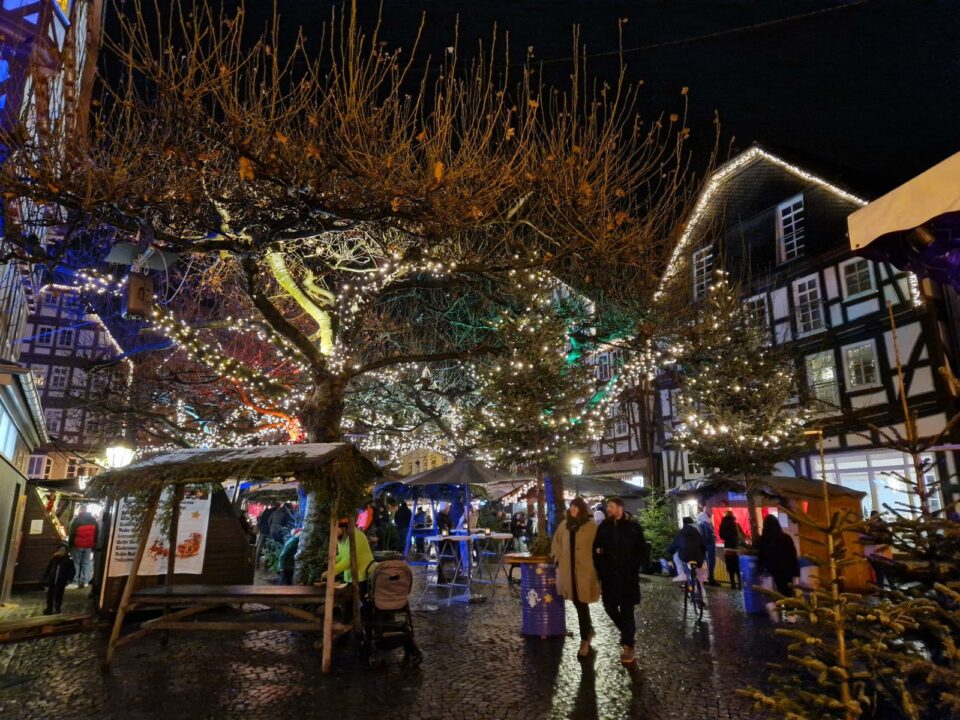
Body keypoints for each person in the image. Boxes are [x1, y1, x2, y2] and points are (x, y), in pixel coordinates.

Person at [593, 497, 648, 665]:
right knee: (609, 607)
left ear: (620, 508)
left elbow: (642, 549)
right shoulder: (604, 526)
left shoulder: (633, 526)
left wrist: (636, 566)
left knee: (627, 611)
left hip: (627, 576)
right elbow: (596, 548)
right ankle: (627, 634)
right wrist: (600, 567)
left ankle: (628, 647)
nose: (608, 509)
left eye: (611, 506)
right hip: (609, 575)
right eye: (608, 506)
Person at [552, 497, 600, 657]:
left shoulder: (590, 526)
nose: (572, 509)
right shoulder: (564, 525)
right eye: (571, 506)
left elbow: (597, 546)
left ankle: (584, 641)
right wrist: (557, 556)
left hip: (584, 571)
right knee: (578, 603)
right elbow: (556, 543)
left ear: (581, 508)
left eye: (575, 506)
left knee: (581, 604)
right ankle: (589, 631)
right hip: (568, 571)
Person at [322, 518, 375, 622]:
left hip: (361, 576)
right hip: (351, 577)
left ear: (343, 527)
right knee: (348, 605)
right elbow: (342, 555)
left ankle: (364, 630)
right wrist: (330, 561)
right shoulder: (342, 537)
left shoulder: (355, 536)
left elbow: (349, 560)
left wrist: (331, 572)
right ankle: (348, 629)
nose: (332, 533)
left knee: (362, 605)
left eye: (334, 529)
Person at [756, 514, 800, 598]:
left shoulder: (763, 540)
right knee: (787, 595)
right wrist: (796, 572)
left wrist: (760, 569)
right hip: (786, 571)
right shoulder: (786, 538)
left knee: (772, 597)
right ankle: (788, 609)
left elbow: (761, 556)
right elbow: (792, 555)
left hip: (771, 572)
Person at [41, 542, 75, 615]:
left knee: (59, 595)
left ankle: (57, 607)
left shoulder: (69, 561)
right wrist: (45, 579)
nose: (61, 552)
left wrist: (69, 579)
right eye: (60, 550)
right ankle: (49, 608)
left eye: (63, 550)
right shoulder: (54, 559)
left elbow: (71, 571)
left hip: (61, 581)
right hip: (52, 580)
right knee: (50, 595)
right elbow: (48, 569)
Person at [68, 505, 97, 589]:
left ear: (80, 510)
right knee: (86, 562)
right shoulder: (93, 520)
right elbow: (96, 534)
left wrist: (70, 546)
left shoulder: (76, 521)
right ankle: (85, 581)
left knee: (76, 562)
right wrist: (94, 545)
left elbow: (72, 534)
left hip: (78, 545)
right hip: (88, 545)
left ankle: (75, 580)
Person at [718, 511, 743, 589]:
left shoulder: (723, 525)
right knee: (738, 567)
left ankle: (733, 585)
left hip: (728, 549)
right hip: (736, 549)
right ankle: (740, 585)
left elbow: (721, 536)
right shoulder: (736, 525)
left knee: (730, 568)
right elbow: (742, 536)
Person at [697, 507, 720, 586]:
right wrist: (713, 537)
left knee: (704, 562)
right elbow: (708, 535)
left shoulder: (699, 521)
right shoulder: (706, 522)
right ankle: (711, 579)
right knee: (711, 562)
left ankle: (705, 579)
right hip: (709, 545)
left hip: (702, 544)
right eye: (710, 511)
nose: (712, 513)